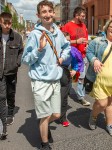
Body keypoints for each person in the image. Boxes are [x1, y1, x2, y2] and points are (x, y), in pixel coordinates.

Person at [22, 1, 70, 150]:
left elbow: (66, 46)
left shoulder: (58, 31)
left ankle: (43, 124)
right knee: (44, 115)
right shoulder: (35, 35)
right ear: (39, 15)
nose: (48, 14)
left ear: (53, 13)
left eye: (50, 11)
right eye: (44, 12)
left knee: (55, 114)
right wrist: (39, 50)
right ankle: (44, 144)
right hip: (40, 80)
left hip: (55, 78)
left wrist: (62, 57)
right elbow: (25, 59)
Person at [0, 12, 23, 139]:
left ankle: (10, 113)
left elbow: (21, 51)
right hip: (0, 72)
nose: (8, 26)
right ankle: (3, 118)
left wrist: (17, 63)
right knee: (2, 96)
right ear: (0, 22)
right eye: (5, 23)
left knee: (10, 93)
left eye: (9, 23)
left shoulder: (17, 37)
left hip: (11, 71)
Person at [62, 6, 90, 106]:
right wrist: (76, 41)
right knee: (69, 76)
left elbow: (86, 39)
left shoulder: (83, 26)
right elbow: (63, 42)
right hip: (70, 56)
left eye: (84, 16)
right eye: (82, 16)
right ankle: (66, 91)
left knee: (81, 77)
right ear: (76, 15)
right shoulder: (68, 26)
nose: (84, 18)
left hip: (82, 56)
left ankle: (81, 97)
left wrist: (86, 45)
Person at [59, 32, 84, 127]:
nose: (67, 42)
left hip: (65, 73)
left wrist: (74, 69)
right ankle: (47, 118)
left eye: (69, 40)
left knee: (64, 97)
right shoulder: (54, 49)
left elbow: (77, 61)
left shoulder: (72, 50)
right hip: (53, 73)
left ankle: (63, 118)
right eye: (65, 40)